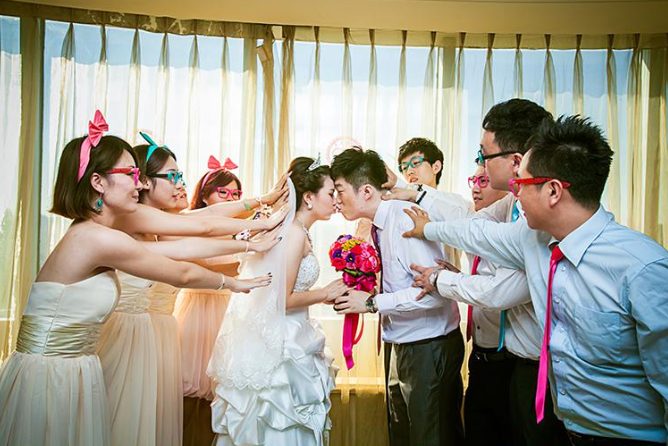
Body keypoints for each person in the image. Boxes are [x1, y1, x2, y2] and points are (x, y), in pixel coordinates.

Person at [0, 112, 271, 446]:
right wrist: (235, 282)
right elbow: (182, 270)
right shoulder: (96, 238)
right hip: (51, 376)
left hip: (75, 370)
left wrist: (253, 237)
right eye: (131, 174)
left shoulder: (99, 232)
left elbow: (189, 239)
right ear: (98, 182)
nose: (140, 183)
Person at [407, 116, 668, 446]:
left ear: (553, 191)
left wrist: (440, 279)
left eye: (521, 185)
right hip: (563, 427)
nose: (514, 195)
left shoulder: (642, 266)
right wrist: (427, 229)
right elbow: (478, 232)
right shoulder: (533, 239)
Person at [387, 99, 566, 445]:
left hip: (538, 370)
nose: (481, 164)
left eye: (485, 155)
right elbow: (471, 224)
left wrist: (438, 279)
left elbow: (499, 291)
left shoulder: (540, 220)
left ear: (516, 161)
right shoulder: (512, 204)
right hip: (506, 362)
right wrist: (414, 195)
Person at [209, 157, 350, 446]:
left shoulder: (298, 230)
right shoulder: (293, 233)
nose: (336, 200)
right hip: (283, 342)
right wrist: (325, 293)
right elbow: (281, 300)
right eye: (330, 193)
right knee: (281, 419)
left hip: (293, 331)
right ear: (309, 197)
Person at [331, 148, 465, 446]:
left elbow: (433, 294)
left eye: (340, 190)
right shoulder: (379, 225)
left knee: (429, 438)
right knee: (403, 435)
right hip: (402, 341)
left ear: (366, 191)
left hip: (428, 345)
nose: (336, 200)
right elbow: (399, 281)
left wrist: (371, 303)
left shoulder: (404, 220)